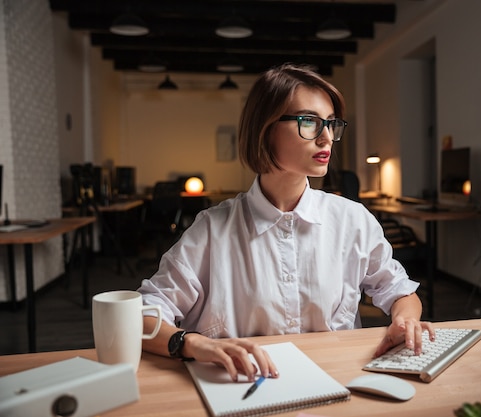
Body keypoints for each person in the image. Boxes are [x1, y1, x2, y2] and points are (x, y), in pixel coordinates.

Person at [137, 63, 434, 383]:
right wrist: (190, 342)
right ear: (264, 129)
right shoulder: (212, 231)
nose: (327, 137)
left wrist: (405, 323)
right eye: (309, 121)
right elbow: (141, 315)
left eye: (331, 124)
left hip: (338, 382)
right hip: (243, 388)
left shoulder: (352, 220)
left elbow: (400, 292)